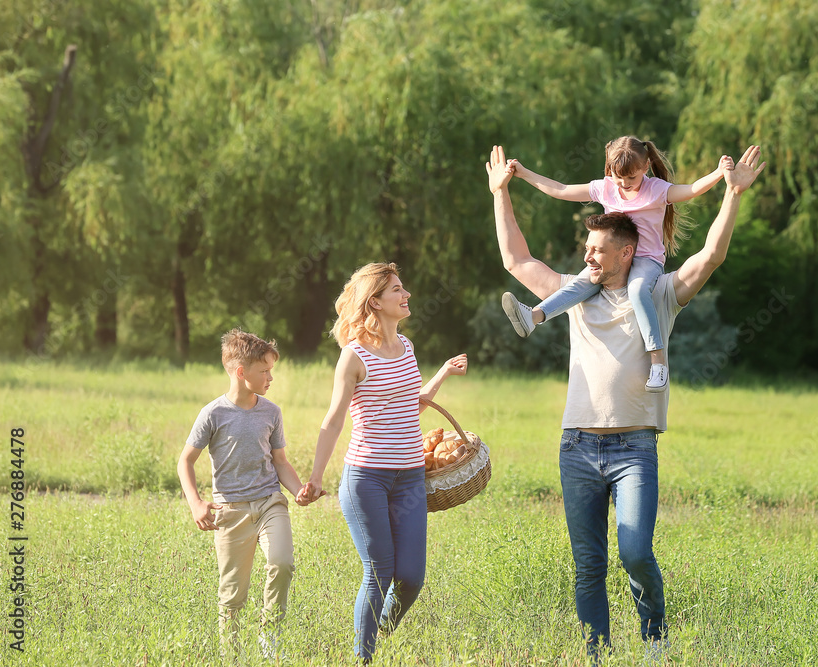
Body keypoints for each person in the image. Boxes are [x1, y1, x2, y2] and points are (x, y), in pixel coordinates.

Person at [486, 144, 765, 661]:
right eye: (586, 249)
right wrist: (501, 191)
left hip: (634, 448)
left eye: (596, 251)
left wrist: (732, 195)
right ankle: (596, 654)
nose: (587, 258)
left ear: (626, 254)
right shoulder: (573, 292)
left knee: (635, 553)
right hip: (577, 446)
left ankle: (654, 637)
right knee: (588, 563)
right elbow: (516, 259)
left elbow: (711, 257)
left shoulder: (658, 293)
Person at [296, 262, 468, 664]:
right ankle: (364, 656)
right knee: (379, 572)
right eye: (396, 290)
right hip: (367, 479)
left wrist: (442, 372)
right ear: (375, 302)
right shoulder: (352, 356)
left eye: (403, 288)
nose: (406, 295)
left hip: (409, 478)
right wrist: (317, 477)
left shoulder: (405, 347)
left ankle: (374, 631)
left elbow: (411, 404)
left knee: (410, 577)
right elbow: (334, 418)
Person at [503, 136, 734, 392]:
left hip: (646, 260)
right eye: (617, 177)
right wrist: (524, 174)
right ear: (609, 170)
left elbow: (690, 190)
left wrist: (718, 173)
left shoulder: (656, 189)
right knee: (583, 282)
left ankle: (657, 363)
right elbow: (561, 189)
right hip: (612, 259)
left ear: (645, 167)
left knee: (637, 290)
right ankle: (534, 316)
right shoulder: (605, 188)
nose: (623, 184)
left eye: (631, 178)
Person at [177, 328, 320, 660]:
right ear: (241, 373)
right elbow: (185, 461)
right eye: (265, 371)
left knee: (282, 563)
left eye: (272, 370)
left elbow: (280, 462)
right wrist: (196, 503)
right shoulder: (213, 414)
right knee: (232, 595)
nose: (271, 377)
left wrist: (298, 490)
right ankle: (232, 656)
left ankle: (269, 638)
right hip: (230, 510)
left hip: (270, 502)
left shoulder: (271, 412)